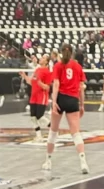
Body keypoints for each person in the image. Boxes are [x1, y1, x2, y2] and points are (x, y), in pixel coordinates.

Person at [42, 44, 89, 174]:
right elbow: (81, 87)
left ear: (61, 53)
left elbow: (56, 84)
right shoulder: (77, 66)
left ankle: (48, 161)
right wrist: (82, 105)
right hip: (73, 100)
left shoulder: (58, 66)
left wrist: (54, 102)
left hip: (61, 98)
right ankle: (83, 162)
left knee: (53, 131)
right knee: (76, 133)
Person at [21, 55, 52, 142]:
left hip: (41, 96)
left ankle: (53, 128)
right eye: (41, 58)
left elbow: (48, 87)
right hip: (33, 96)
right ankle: (39, 136)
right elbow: (31, 82)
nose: (40, 59)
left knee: (40, 116)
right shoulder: (37, 70)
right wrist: (24, 76)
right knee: (33, 117)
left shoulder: (47, 72)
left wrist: (40, 83)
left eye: (43, 58)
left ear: (46, 61)